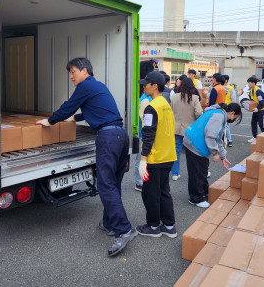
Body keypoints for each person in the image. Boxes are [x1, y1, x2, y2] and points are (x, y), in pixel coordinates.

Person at [35, 58, 137, 257]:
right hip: (120, 136)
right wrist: (76, 118)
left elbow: (69, 106)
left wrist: (49, 121)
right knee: (113, 184)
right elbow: (96, 109)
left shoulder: (85, 85)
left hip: (108, 138)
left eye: (73, 72)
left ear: (84, 71)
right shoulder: (97, 86)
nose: (71, 76)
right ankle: (109, 222)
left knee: (105, 185)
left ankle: (123, 230)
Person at [136, 71, 178, 238]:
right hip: (168, 157)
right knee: (163, 192)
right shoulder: (165, 104)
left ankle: (153, 226)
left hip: (155, 158)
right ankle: (169, 226)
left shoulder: (151, 108)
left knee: (150, 193)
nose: (143, 86)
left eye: (146, 84)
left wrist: (143, 160)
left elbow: (148, 135)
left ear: (154, 86)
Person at [183, 103, 242, 208]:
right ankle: (195, 198)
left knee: (202, 169)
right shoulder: (219, 116)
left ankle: (204, 191)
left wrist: (223, 156)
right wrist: (215, 153)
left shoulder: (218, 113)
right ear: (232, 113)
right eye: (235, 118)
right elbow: (210, 136)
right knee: (197, 172)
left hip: (193, 141)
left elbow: (218, 138)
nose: (233, 120)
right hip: (195, 144)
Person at [170, 77, 203, 181]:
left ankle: (175, 173)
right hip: (191, 129)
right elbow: (199, 113)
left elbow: (171, 112)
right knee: (194, 152)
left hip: (176, 128)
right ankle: (197, 171)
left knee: (176, 151)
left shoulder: (174, 97)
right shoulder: (194, 98)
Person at [133, 92, 152, 191]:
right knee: (141, 158)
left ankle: (142, 180)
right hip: (143, 134)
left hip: (145, 133)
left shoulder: (149, 98)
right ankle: (138, 182)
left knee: (143, 158)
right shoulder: (145, 100)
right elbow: (143, 118)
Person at [246, 76, 264, 143]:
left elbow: (262, 102)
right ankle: (254, 137)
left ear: (253, 83)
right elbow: (252, 101)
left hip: (263, 110)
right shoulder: (251, 90)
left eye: (249, 83)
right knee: (253, 123)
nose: (248, 84)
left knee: (262, 124)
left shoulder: (258, 91)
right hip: (256, 109)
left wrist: (257, 108)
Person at [223, 75, 237, 147]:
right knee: (225, 125)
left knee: (226, 125)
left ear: (226, 80)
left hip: (227, 108)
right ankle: (227, 140)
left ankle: (229, 140)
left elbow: (233, 99)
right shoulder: (222, 87)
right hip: (223, 107)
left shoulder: (230, 88)